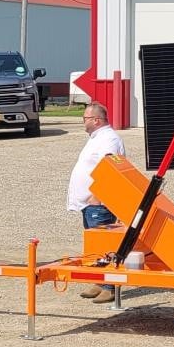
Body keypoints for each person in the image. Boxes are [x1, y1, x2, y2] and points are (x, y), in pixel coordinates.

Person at [67, 102, 125, 304]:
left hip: (98, 202)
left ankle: (110, 286)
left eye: (85, 118)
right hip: (88, 203)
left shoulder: (109, 139)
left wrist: (97, 194)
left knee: (106, 246)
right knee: (95, 247)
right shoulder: (96, 139)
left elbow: (109, 168)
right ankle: (98, 281)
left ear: (96, 120)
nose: (83, 121)